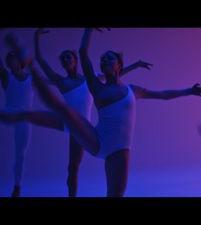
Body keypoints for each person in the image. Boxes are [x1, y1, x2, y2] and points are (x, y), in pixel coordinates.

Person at [0, 28, 201, 197]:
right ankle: (28, 64)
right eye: (102, 59)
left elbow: (162, 95)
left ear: (118, 65)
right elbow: (83, 54)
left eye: (109, 58)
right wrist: (88, 30)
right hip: (96, 139)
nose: (104, 60)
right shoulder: (96, 86)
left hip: (118, 151)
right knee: (64, 110)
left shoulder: (133, 90)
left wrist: (188, 91)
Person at [34, 28, 153, 197]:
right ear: (62, 64)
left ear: (75, 61)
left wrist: (135, 65)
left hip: (88, 128)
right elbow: (40, 60)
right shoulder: (61, 82)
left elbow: (116, 74)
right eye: (64, 58)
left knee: (77, 168)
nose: (67, 60)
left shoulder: (92, 79)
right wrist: (36, 40)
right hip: (74, 125)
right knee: (72, 169)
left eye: (70, 57)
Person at [0, 29, 35, 197]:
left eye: (13, 56)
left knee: (19, 154)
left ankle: (17, 186)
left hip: (23, 118)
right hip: (9, 113)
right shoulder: (5, 76)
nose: (9, 59)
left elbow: (53, 82)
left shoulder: (31, 78)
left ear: (19, 61)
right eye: (7, 58)